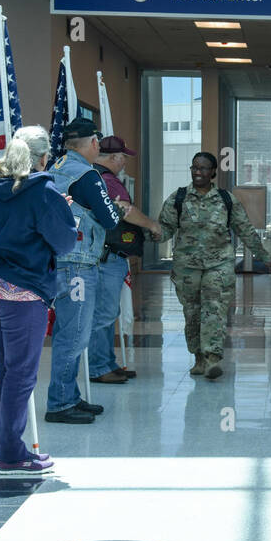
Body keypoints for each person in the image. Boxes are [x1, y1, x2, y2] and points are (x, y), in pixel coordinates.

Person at [0, 125, 77, 475]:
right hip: (24, 291)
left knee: (5, 372)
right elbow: (64, 243)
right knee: (21, 376)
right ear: (44, 157)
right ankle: (11, 454)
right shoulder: (44, 192)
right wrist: (62, 212)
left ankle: (5, 447)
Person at [155, 152, 271, 379]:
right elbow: (164, 229)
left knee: (214, 309)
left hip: (219, 264)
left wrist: (263, 255)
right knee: (192, 313)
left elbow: (245, 229)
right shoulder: (179, 198)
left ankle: (213, 358)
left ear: (213, 172)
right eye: (194, 167)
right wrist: (146, 232)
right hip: (187, 267)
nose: (197, 172)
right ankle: (199, 358)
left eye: (203, 168)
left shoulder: (226, 199)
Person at [44, 118, 120, 423]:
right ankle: (60, 403)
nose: (99, 148)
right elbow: (111, 219)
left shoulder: (55, 166)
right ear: (91, 143)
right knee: (74, 334)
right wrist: (115, 208)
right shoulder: (87, 175)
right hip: (78, 262)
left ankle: (70, 396)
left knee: (67, 331)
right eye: (98, 143)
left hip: (59, 257)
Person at [89, 134, 159, 385]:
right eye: (123, 158)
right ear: (114, 157)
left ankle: (106, 363)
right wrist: (152, 224)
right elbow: (126, 211)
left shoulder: (94, 177)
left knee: (106, 311)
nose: (125, 163)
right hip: (107, 257)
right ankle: (99, 367)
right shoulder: (107, 181)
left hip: (101, 255)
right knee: (104, 313)